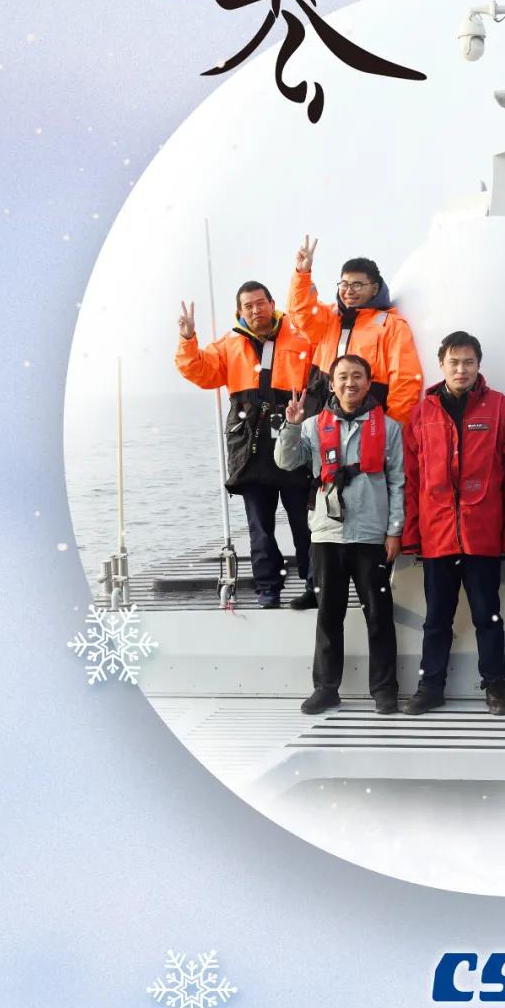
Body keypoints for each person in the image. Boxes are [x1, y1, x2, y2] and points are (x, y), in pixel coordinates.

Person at [286, 235, 423, 609]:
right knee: (318, 492)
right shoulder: (328, 318)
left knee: (371, 493)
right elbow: (300, 315)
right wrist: (302, 273)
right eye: (344, 284)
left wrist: (390, 428)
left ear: (375, 288)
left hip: (370, 421)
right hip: (325, 415)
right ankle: (317, 584)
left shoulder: (390, 325)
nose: (349, 291)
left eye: (358, 284)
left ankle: (375, 581)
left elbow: (406, 379)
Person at [401, 331, 505, 715]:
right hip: (437, 535)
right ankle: (430, 687)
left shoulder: (501, 409)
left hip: (481, 535)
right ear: (441, 365)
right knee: (436, 619)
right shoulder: (420, 414)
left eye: (468, 362)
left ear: (478, 365)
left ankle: (496, 688)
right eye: (454, 362)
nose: (461, 369)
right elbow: (411, 480)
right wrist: (411, 534)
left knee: (488, 617)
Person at [275, 354, 405, 716]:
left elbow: (398, 482)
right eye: (343, 377)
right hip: (327, 535)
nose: (351, 383)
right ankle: (326, 688)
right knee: (328, 615)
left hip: (371, 535)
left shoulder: (389, 428)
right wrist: (290, 426)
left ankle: (384, 689)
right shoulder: (312, 425)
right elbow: (287, 461)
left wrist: (394, 531)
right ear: (331, 384)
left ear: (369, 382)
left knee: (379, 614)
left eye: (358, 376)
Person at [175, 282, 314, 609]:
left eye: (260, 303)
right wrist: (187, 339)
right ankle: (269, 587)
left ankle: (315, 583)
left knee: (304, 522)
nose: (256, 310)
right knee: (259, 527)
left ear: (272, 304)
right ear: (239, 311)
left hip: (292, 437)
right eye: (248, 306)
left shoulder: (300, 338)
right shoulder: (229, 343)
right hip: (250, 446)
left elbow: (320, 380)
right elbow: (200, 372)